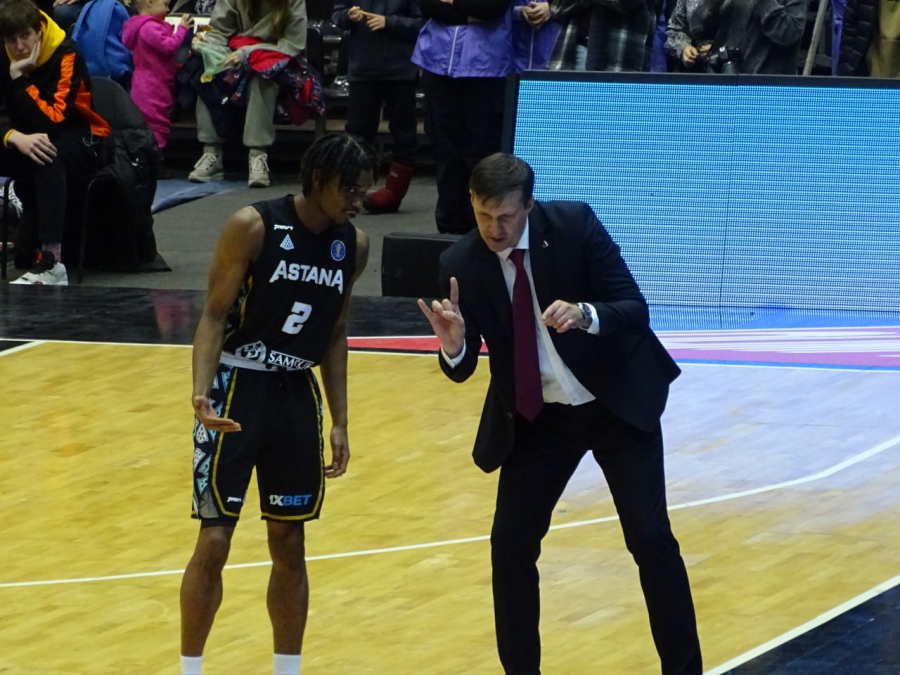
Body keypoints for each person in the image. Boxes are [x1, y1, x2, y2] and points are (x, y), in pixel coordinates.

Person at [418, 153, 702, 675]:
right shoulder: (460, 263)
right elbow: (462, 367)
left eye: (506, 216)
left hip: (614, 403)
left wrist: (585, 314)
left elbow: (634, 309)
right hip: (539, 418)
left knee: (650, 539)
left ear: (529, 205)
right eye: (483, 215)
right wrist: (454, 346)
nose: (494, 229)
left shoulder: (574, 225)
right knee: (510, 544)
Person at [180, 133, 376, 675]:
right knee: (215, 539)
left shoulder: (353, 246)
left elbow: (335, 333)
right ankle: (190, 670)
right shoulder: (253, 225)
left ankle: (286, 670)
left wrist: (341, 420)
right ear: (318, 180)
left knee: (289, 541)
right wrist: (200, 392)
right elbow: (214, 314)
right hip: (236, 388)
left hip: (295, 395)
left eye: (364, 190)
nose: (359, 201)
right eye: (350, 190)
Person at [0, 0, 110, 285]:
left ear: (39, 31)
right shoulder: (3, 54)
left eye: (25, 36)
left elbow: (53, 119)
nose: (19, 46)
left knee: (48, 153)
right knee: (35, 147)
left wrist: (18, 80)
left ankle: (52, 262)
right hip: (24, 136)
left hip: (80, 136)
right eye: (11, 40)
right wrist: (13, 137)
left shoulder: (67, 54)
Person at [412, 0, 513, 234]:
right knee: (445, 151)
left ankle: (482, 227)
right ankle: (449, 227)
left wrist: (453, 4)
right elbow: (428, 6)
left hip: (486, 68)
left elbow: (492, 9)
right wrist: (467, 15)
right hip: (438, 65)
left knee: (481, 153)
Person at [188, 0, 308, 187]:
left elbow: (293, 44)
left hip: (278, 57)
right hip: (236, 54)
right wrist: (206, 43)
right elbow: (220, 31)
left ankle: (257, 155)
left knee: (261, 78)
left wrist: (248, 53)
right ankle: (211, 152)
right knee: (208, 75)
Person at [331, 0, 422, 214]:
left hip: (401, 71)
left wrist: (388, 23)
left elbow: (422, 23)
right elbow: (337, 16)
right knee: (357, 135)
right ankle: (353, 190)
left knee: (404, 134)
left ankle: (394, 193)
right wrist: (347, 16)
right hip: (363, 70)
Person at [123, 0, 194, 157]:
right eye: (165, 4)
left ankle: (148, 156)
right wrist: (182, 29)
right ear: (149, 3)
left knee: (150, 121)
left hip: (146, 82)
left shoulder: (141, 25)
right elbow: (169, 46)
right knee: (156, 123)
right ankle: (154, 158)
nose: (168, 10)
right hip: (152, 85)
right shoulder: (149, 27)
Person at [690, 0, 807, 74]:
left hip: (766, 89)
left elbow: (790, 35)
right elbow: (698, 31)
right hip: (723, 84)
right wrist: (712, 3)